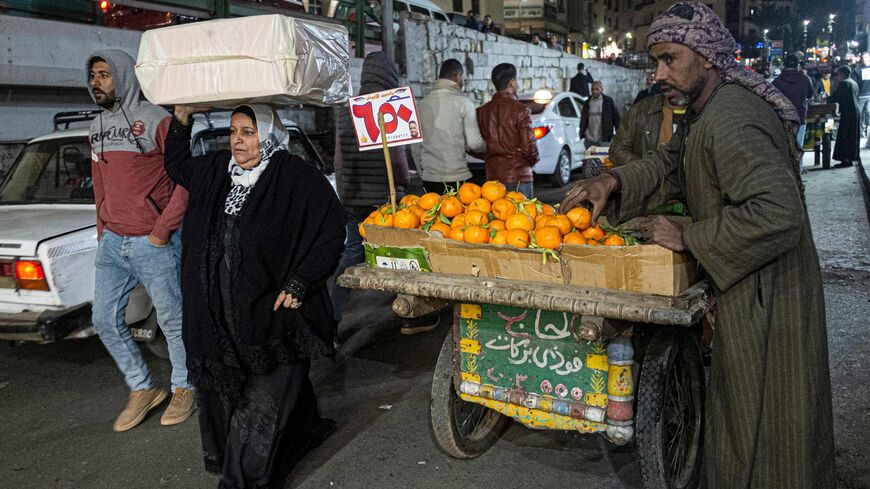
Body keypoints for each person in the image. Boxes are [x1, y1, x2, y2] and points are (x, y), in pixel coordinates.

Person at [561, 3, 835, 488]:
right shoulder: (702, 110)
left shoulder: (732, 119)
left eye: (670, 59)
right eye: (656, 60)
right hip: (745, 282)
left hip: (768, 292)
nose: (659, 72)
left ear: (706, 56)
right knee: (741, 416)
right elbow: (668, 161)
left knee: (771, 425)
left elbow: (778, 214)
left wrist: (688, 234)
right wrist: (614, 181)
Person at [164, 103, 344, 489]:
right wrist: (183, 117)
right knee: (236, 390)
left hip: (272, 313)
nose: (238, 141)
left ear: (269, 134)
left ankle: (241, 481)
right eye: (233, 132)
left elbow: (331, 231)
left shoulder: (295, 177)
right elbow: (176, 164)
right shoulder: (216, 171)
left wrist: (300, 282)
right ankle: (304, 431)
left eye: (248, 131)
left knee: (261, 403)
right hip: (218, 312)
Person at [86, 50, 194, 432]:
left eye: (104, 75)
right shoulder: (96, 125)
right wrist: (103, 230)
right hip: (113, 242)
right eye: (93, 76)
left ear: (123, 77)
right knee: (103, 320)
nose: (96, 82)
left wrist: (162, 230)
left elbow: (183, 178)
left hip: (153, 241)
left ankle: (185, 386)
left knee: (172, 319)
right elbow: (99, 184)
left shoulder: (157, 120)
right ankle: (142, 388)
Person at [330, 53, 427, 334]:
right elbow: (397, 160)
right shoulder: (387, 106)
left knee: (351, 254)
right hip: (384, 200)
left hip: (352, 196)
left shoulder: (347, 109)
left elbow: (339, 159)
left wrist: (344, 193)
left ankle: (330, 316)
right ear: (389, 77)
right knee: (400, 255)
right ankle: (411, 316)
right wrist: (402, 185)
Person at [412, 58, 486, 194]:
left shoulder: (421, 105)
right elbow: (474, 143)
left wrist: (423, 173)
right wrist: (488, 148)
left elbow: (415, 146)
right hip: (458, 177)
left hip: (430, 180)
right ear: (458, 76)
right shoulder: (464, 102)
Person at [476, 63, 539, 197]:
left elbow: (472, 145)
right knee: (522, 216)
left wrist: (490, 156)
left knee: (498, 217)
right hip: (519, 176)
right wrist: (530, 162)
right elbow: (529, 147)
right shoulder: (521, 109)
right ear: (511, 83)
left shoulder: (481, 112)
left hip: (492, 178)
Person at [773, 54, 815, 147]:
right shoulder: (805, 78)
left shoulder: (777, 81)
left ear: (784, 65)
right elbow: (810, 95)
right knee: (798, 147)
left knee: (784, 148)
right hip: (799, 116)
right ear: (797, 65)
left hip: (782, 118)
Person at [830, 65, 860, 167]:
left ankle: (846, 159)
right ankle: (848, 158)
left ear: (842, 74)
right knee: (852, 135)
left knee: (846, 135)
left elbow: (836, 96)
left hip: (848, 113)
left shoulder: (844, 83)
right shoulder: (853, 83)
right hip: (854, 111)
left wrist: (828, 99)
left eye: (837, 74)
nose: (836, 77)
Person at [580, 81, 620, 148]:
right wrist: (582, 134)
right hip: (589, 140)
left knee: (604, 158)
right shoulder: (587, 103)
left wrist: (618, 135)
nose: (594, 91)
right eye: (592, 89)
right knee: (591, 158)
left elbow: (616, 118)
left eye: (597, 89)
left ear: (602, 89)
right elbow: (583, 120)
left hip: (604, 139)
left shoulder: (608, 102)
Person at [853, 52, 870, 135]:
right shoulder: (857, 70)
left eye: (866, 57)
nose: (864, 60)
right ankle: (861, 131)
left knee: (869, 112)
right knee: (859, 114)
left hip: (869, 95)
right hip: (861, 95)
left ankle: (868, 129)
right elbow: (854, 83)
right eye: (863, 58)